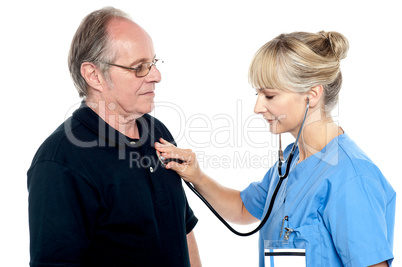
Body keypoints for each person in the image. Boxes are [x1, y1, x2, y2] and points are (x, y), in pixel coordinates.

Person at [155, 31, 395, 266]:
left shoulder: (351, 178)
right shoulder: (291, 161)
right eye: (257, 93)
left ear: (312, 95)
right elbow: (241, 208)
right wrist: (196, 175)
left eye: (269, 95)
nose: (257, 107)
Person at [27, 7, 201, 267]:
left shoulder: (157, 132)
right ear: (94, 75)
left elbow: (182, 228)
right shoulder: (60, 163)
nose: (156, 76)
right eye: (139, 67)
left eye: (153, 63)